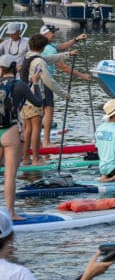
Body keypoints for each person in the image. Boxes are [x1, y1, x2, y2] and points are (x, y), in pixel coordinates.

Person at [1, 54, 43, 221]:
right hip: (10, 131)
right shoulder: (19, 85)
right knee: (10, 175)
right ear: (15, 68)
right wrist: (36, 83)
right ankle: (10, 213)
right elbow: (38, 102)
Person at [19, 36, 72, 166]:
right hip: (35, 97)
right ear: (43, 48)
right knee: (36, 128)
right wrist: (64, 94)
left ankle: (26, 158)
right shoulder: (39, 61)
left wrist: (67, 54)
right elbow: (49, 81)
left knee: (27, 129)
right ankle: (36, 159)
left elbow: (47, 59)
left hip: (24, 97)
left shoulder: (28, 56)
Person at [37, 26, 87, 148]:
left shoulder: (49, 46)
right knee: (48, 110)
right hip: (44, 83)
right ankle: (46, 142)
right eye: (52, 33)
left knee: (40, 112)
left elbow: (62, 47)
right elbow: (63, 67)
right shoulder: (49, 50)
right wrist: (82, 75)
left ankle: (38, 140)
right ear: (45, 34)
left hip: (37, 83)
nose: (54, 34)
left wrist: (76, 39)